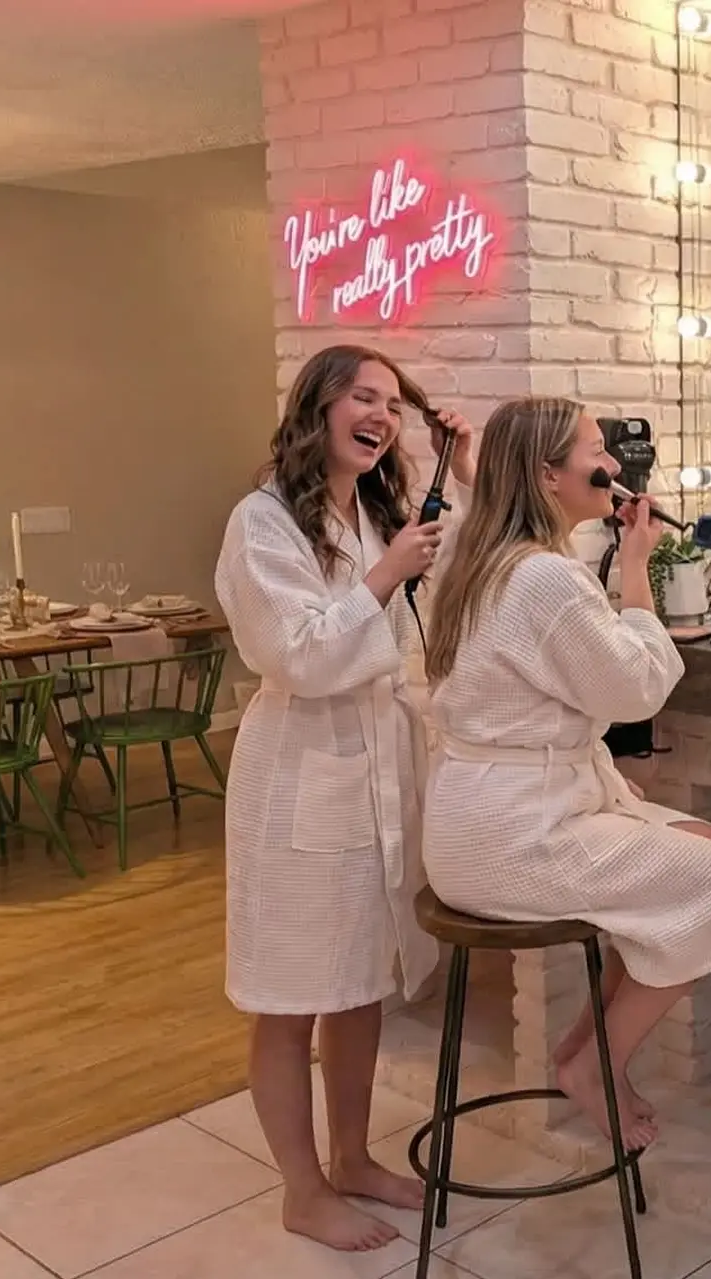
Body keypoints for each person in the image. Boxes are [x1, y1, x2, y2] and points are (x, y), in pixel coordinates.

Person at [420, 396, 711, 1152]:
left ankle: (585, 1050)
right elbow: (634, 691)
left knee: (701, 836)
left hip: (473, 822)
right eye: (594, 450)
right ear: (549, 475)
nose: (613, 464)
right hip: (517, 835)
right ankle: (598, 1063)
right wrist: (638, 567)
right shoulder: (546, 577)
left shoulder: (476, 554)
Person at [214, 344, 474, 1253]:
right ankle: (302, 1187)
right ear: (319, 405)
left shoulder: (371, 509)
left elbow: (459, 592)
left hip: (374, 770)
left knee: (357, 983)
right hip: (300, 774)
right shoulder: (263, 522)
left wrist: (467, 480)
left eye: (395, 405)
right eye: (364, 397)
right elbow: (301, 654)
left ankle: (354, 1156)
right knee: (290, 996)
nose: (383, 415)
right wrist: (386, 572)